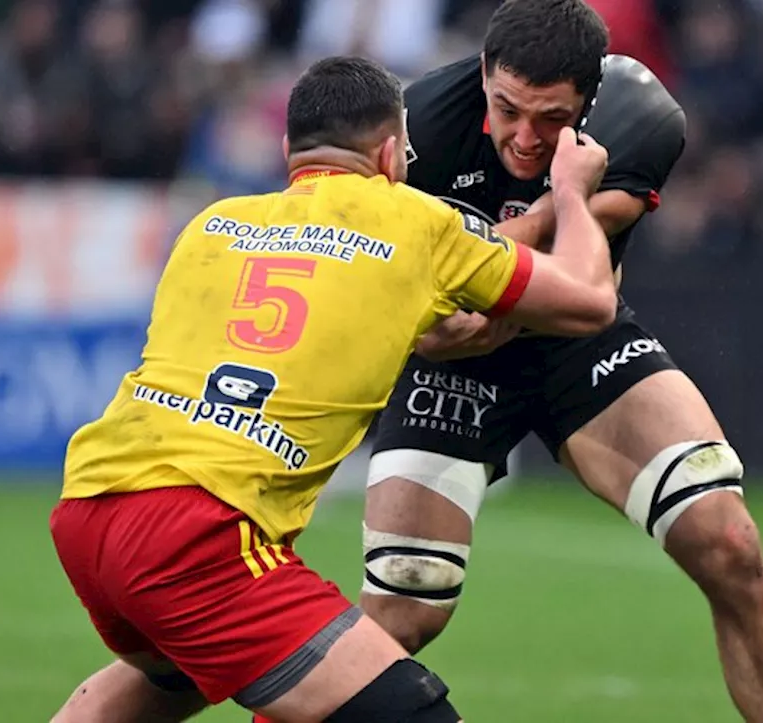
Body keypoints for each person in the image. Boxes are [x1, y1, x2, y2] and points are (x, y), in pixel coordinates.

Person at [47, 54, 618, 723]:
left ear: (289, 150)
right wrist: (572, 193)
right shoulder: (415, 222)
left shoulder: (210, 225)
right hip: (199, 532)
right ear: (387, 154)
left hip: (89, 510)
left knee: (175, 676)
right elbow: (588, 302)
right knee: (414, 714)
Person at [358, 1, 763, 721]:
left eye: (551, 119)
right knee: (401, 608)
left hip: (577, 343)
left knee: (730, 543)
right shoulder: (413, 131)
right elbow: (432, 334)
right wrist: (563, 198)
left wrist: (484, 260)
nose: (524, 136)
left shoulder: (641, 113)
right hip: (455, 370)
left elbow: (578, 273)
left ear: (590, 100)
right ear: (482, 73)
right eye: (507, 108)